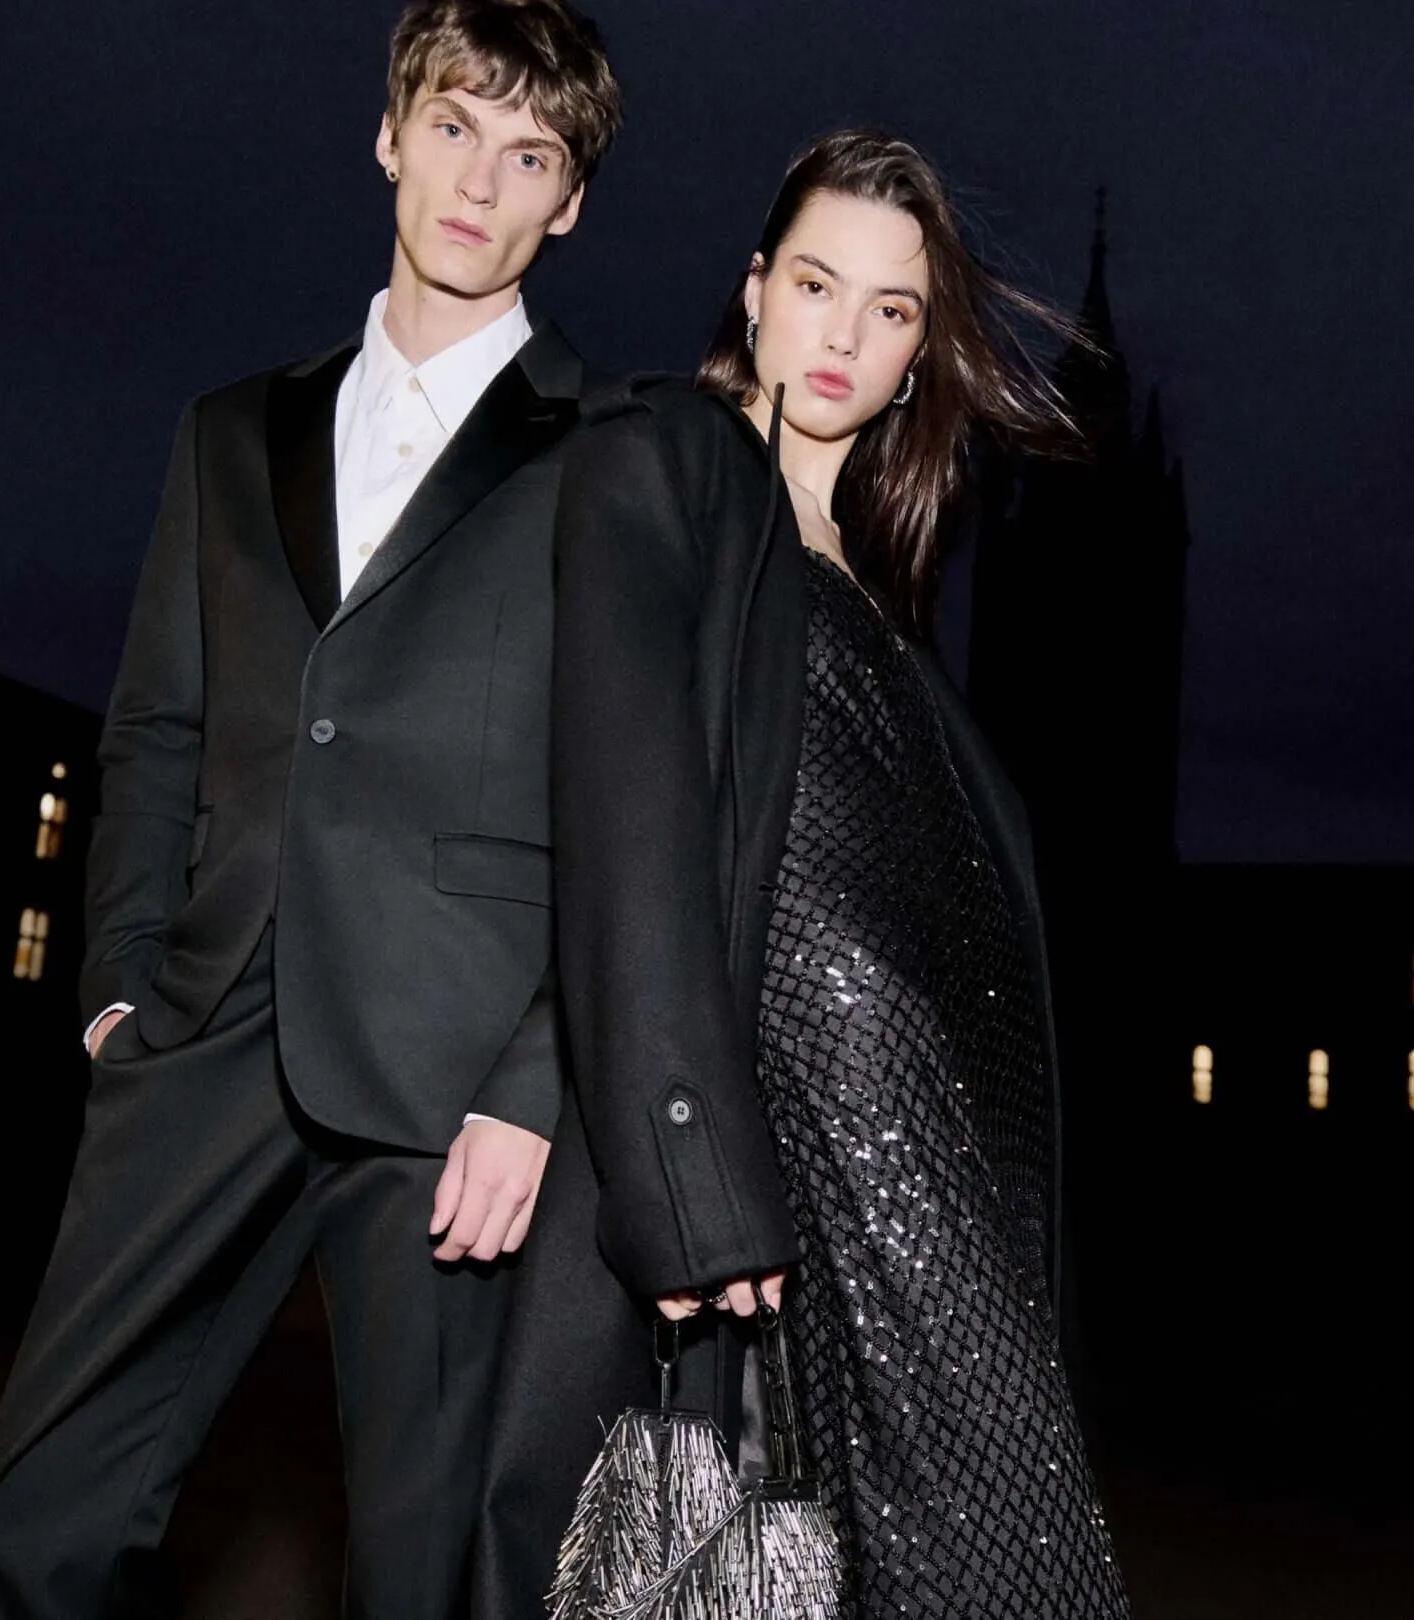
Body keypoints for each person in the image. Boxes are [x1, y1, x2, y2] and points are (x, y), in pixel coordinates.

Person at [0, 4, 620, 1615]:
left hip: (456, 1087)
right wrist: (119, 988)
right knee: (35, 1516)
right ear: (389, 135)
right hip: (206, 1031)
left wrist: (538, 1079)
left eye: (530, 155)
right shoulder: (228, 430)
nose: (480, 181)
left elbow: (628, 803)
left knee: (431, 1572)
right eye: (454, 127)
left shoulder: (614, 460)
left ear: (570, 204)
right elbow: (159, 732)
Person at [476, 130, 1130, 1619]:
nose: (843, 333)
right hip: (797, 1181)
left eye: (891, 310)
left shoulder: (884, 595)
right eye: (818, 283)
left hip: (948, 1186)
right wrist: (687, 1173)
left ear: (917, 359)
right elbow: (626, 818)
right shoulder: (667, 463)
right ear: (754, 292)